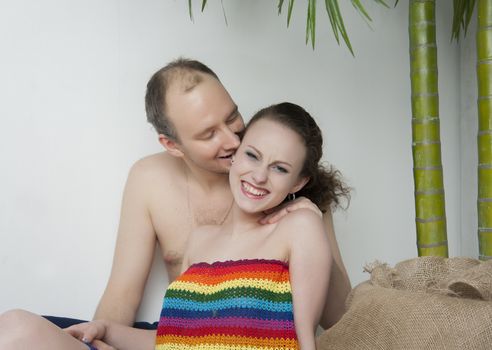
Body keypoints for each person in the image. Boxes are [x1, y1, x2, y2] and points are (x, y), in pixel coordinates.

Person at [48, 59, 350, 349]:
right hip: (177, 335)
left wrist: (313, 227)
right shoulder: (149, 179)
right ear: (172, 144)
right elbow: (123, 295)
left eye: (232, 117)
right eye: (209, 134)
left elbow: (339, 319)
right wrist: (100, 340)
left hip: (250, 338)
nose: (232, 140)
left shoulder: (288, 183)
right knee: (19, 330)